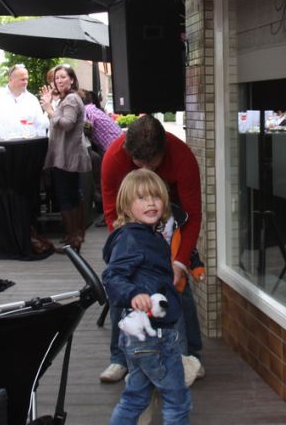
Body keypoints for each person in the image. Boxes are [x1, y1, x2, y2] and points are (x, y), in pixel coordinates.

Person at [100, 115, 203, 384]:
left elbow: (193, 216)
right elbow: (111, 211)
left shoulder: (183, 158)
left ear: (163, 151)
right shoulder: (113, 158)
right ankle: (119, 358)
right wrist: (125, 248)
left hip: (170, 224)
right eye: (139, 162)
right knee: (123, 289)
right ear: (128, 152)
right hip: (130, 232)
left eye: (152, 163)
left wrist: (180, 262)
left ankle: (190, 355)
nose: (145, 168)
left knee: (178, 289)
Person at [102, 169, 191, 425]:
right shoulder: (132, 239)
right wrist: (134, 294)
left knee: (136, 397)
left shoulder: (147, 235)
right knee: (176, 400)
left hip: (141, 336)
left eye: (155, 196)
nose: (151, 203)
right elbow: (112, 276)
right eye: (141, 198)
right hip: (153, 334)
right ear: (126, 206)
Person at [40, 65, 91, 252]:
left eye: (63, 77)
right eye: (57, 78)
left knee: (66, 196)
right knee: (73, 194)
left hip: (66, 156)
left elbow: (67, 124)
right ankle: (76, 236)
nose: (59, 81)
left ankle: (73, 239)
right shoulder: (68, 98)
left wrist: (49, 110)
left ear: (72, 79)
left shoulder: (70, 99)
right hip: (67, 154)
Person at [80, 89, 122, 226]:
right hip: (117, 145)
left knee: (109, 183)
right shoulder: (93, 109)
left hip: (114, 148)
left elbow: (87, 127)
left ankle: (112, 216)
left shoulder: (86, 111)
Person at [0, 64, 49, 138]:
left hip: (27, 143)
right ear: (10, 79)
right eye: (22, 79)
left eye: (27, 79)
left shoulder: (32, 100)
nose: (25, 82)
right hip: (1, 143)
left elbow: (40, 125)